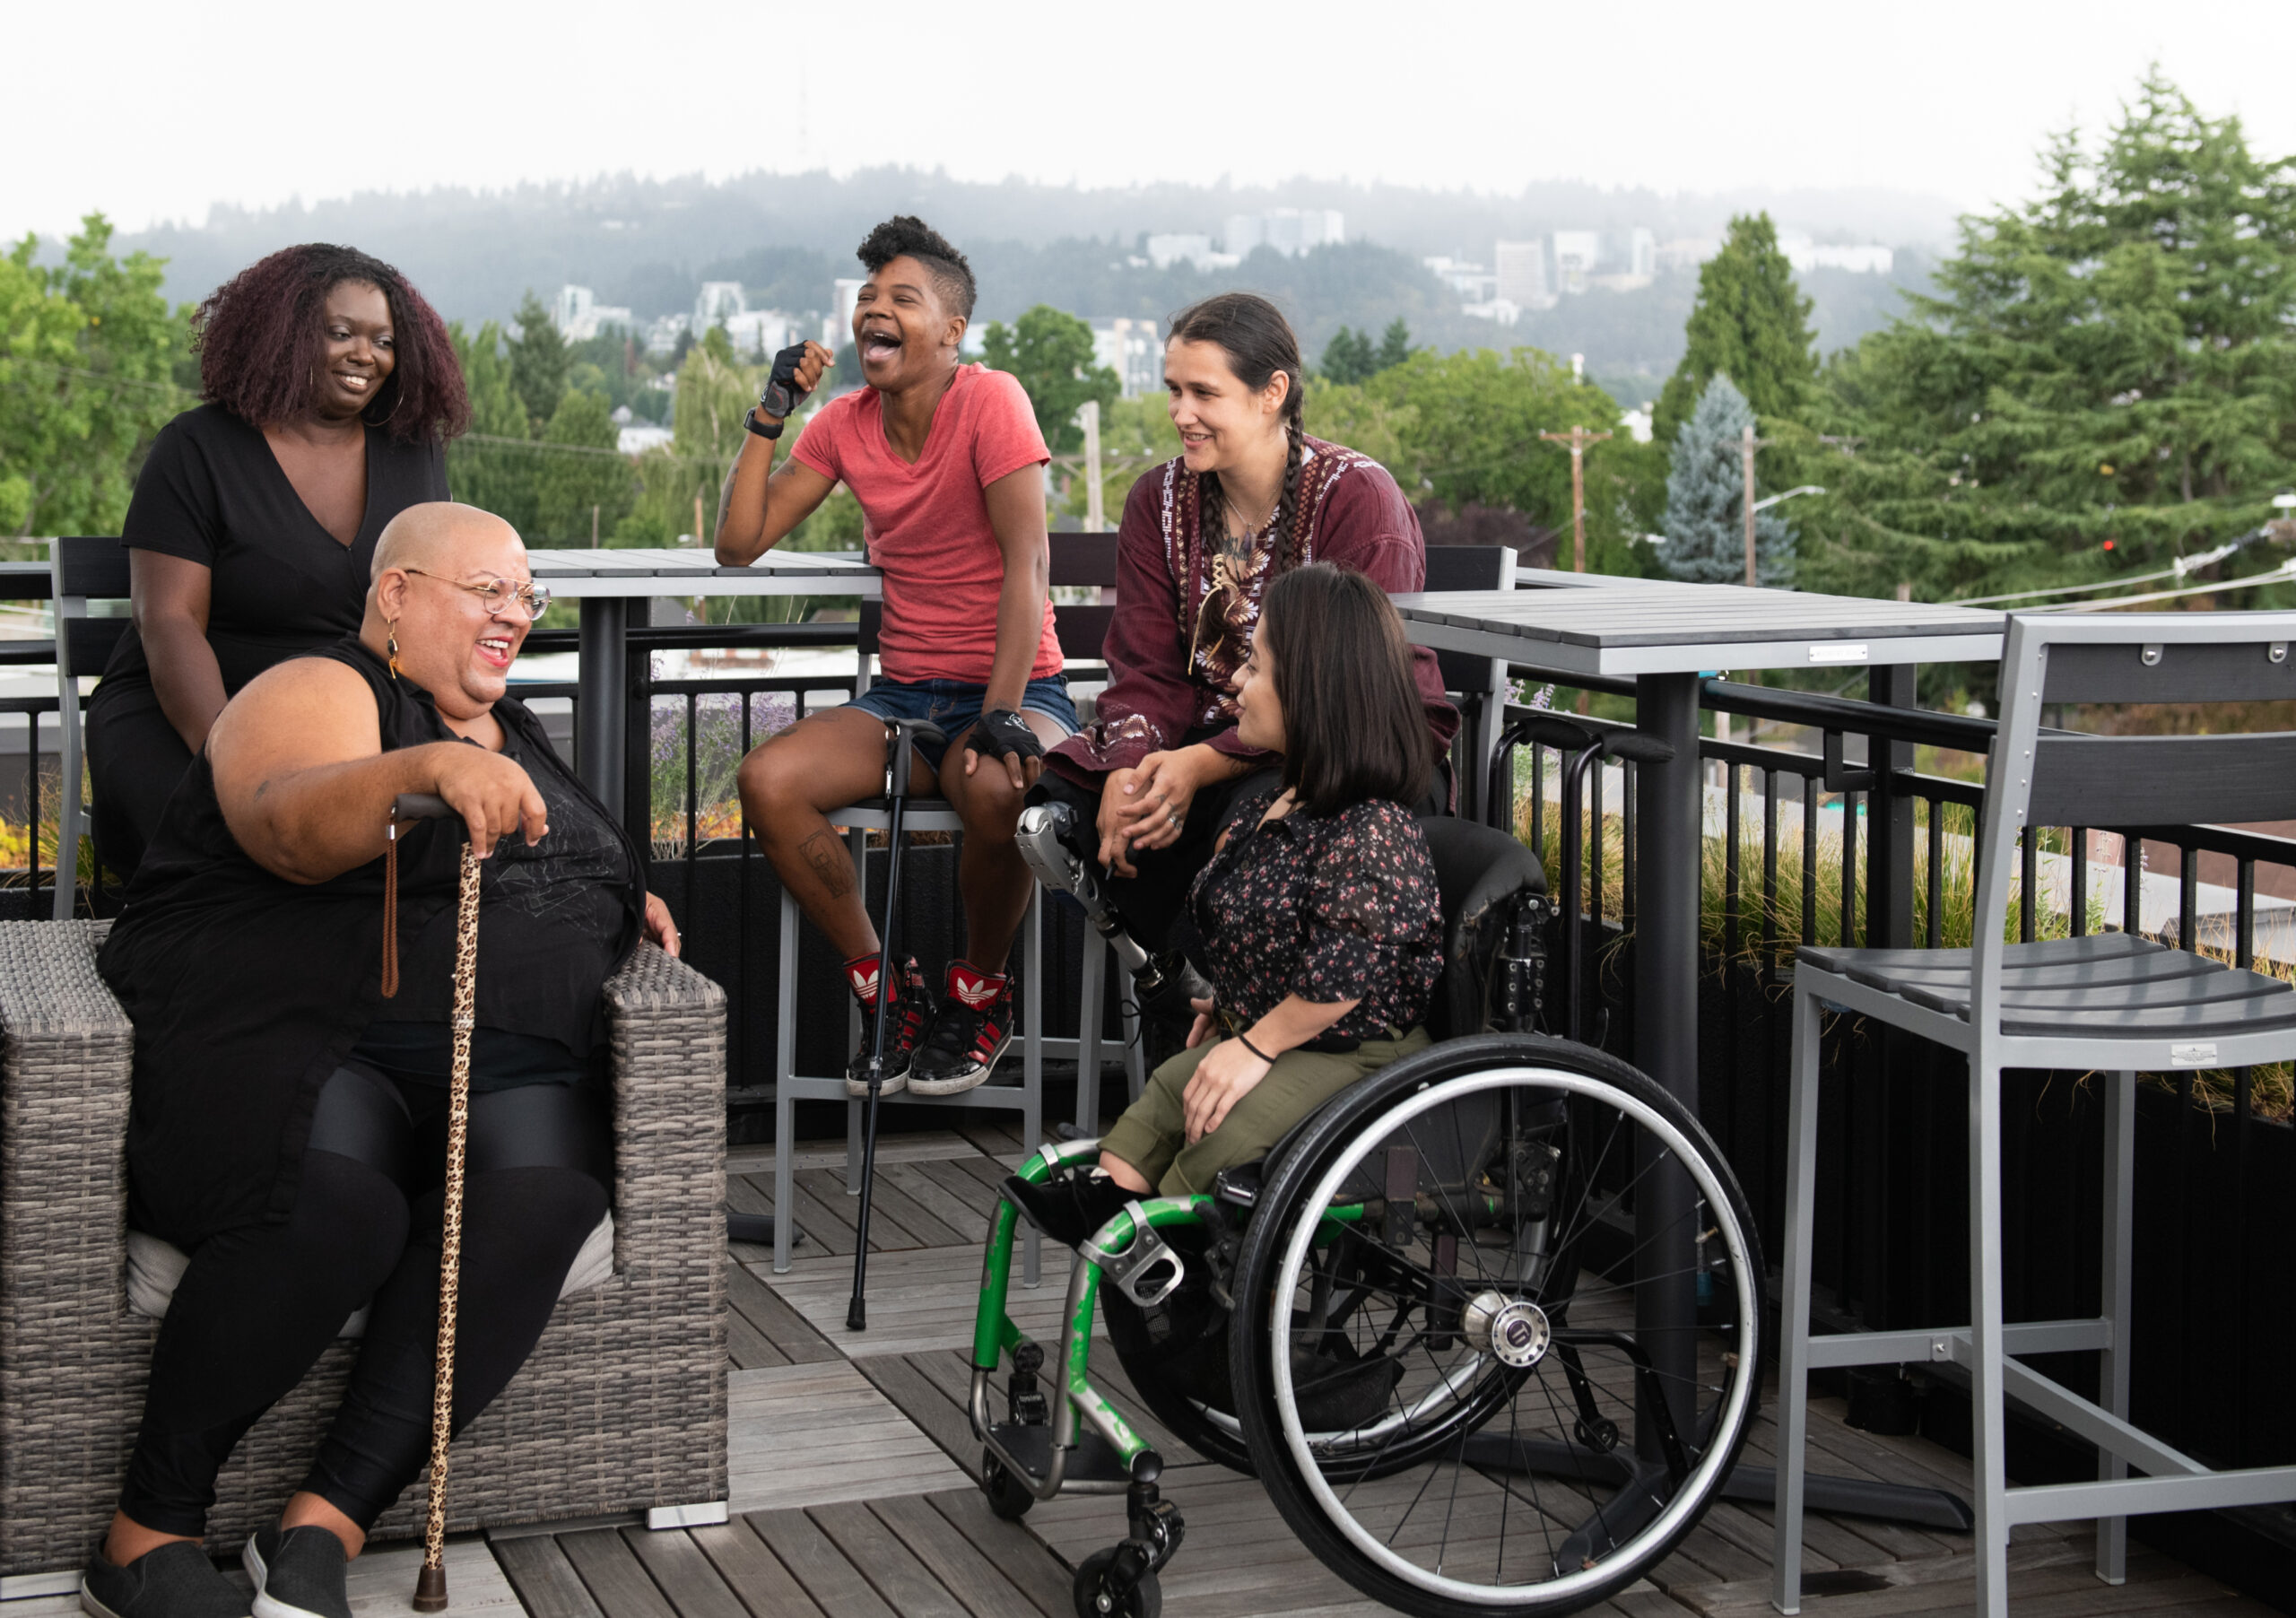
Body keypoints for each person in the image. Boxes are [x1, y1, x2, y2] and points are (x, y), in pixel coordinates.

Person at [83, 504, 679, 1618]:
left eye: (527, 596)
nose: (516, 613)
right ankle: (142, 1532)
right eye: (487, 589)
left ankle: (321, 1524)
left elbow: (562, 856)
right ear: (396, 594)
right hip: (319, 1032)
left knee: (551, 1194)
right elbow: (282, 822)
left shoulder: (517, 725)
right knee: (338, 1205)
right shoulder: (327, 685)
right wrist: (425, 768)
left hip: (507, 1065)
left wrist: (617, 896)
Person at [715, 216, 1071, 1097]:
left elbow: (1027, 566)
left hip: (1018, 689)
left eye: (901, 299)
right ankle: (887, 991)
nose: (875, 309)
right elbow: (738, 542)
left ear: (951, 332)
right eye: (868, 298)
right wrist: (769, 412)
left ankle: (979, 993)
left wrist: (999, 708)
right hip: (906, 699)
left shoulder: (991, 401)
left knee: (994, 781)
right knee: (768, 781)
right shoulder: (843, 422)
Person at [1006, 564, 1444, 1240]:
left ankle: (1169, 1261)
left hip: (1357, 1049)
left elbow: (1344, 975)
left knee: (1218, 1131)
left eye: (1258, 668)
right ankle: (1108, 1200)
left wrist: (1257, 1045)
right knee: (1162, 1102)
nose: (1236, 681)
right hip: (1281, 1027)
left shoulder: (1372, 828)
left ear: (1314, 693)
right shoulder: (1272, 803)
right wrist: (1238, 1003)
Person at [1033, 292, 1457, 985]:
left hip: (1344, 754)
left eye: (1204, 392)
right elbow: (1144, 665)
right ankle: (1175, 982)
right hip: (1196, 746)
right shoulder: (1155, 500)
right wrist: (1129, 769)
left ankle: (1212, 991)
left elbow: (1358, 697)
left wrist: (1197, 766)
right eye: (1173, 390)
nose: (1180, 413)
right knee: (1067, 804)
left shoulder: (1357, 498)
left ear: (1273, 393)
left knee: (1253, 817)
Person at [86, 244, 468, 880]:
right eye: (340, 332)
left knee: (424, 847)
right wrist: (233, 761)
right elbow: (169, 622)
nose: (364, 355)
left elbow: (432, 607)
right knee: (228, 854)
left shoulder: (413, 455)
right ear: (285, 335)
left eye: (383, 340)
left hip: (347, 717)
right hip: (191, 712)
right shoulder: (198, 448)